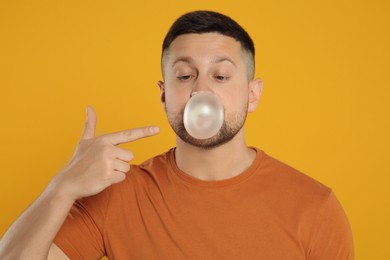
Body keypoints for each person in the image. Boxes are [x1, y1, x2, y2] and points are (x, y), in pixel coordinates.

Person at [0, 10, 354, 259]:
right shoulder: (119, 197)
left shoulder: (314, 207)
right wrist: (62, 187)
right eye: (185, 76)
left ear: (253, 93)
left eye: (221, 76)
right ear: (164, 93)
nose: (201, 91)